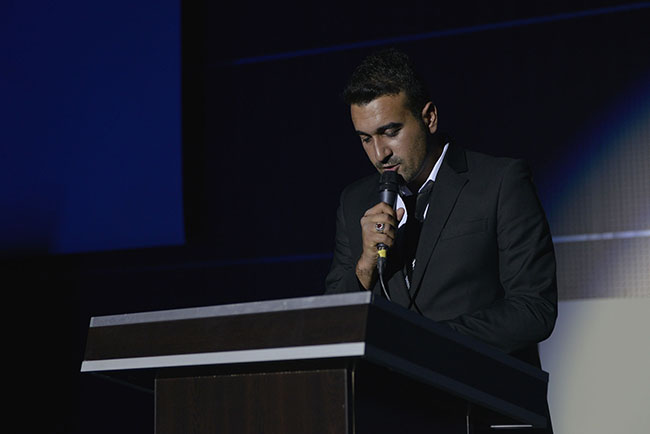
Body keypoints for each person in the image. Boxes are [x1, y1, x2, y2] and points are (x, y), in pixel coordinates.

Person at [325, 48, 557, 368]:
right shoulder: (354, 202)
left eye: (390, 132)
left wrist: (426, 343)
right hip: (387, 396)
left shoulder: (500, 181)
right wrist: (364, 267)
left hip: (478, 391)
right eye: (365, 139)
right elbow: (331, 325)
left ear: (429, 117)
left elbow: (534, 309)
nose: (379, 153)